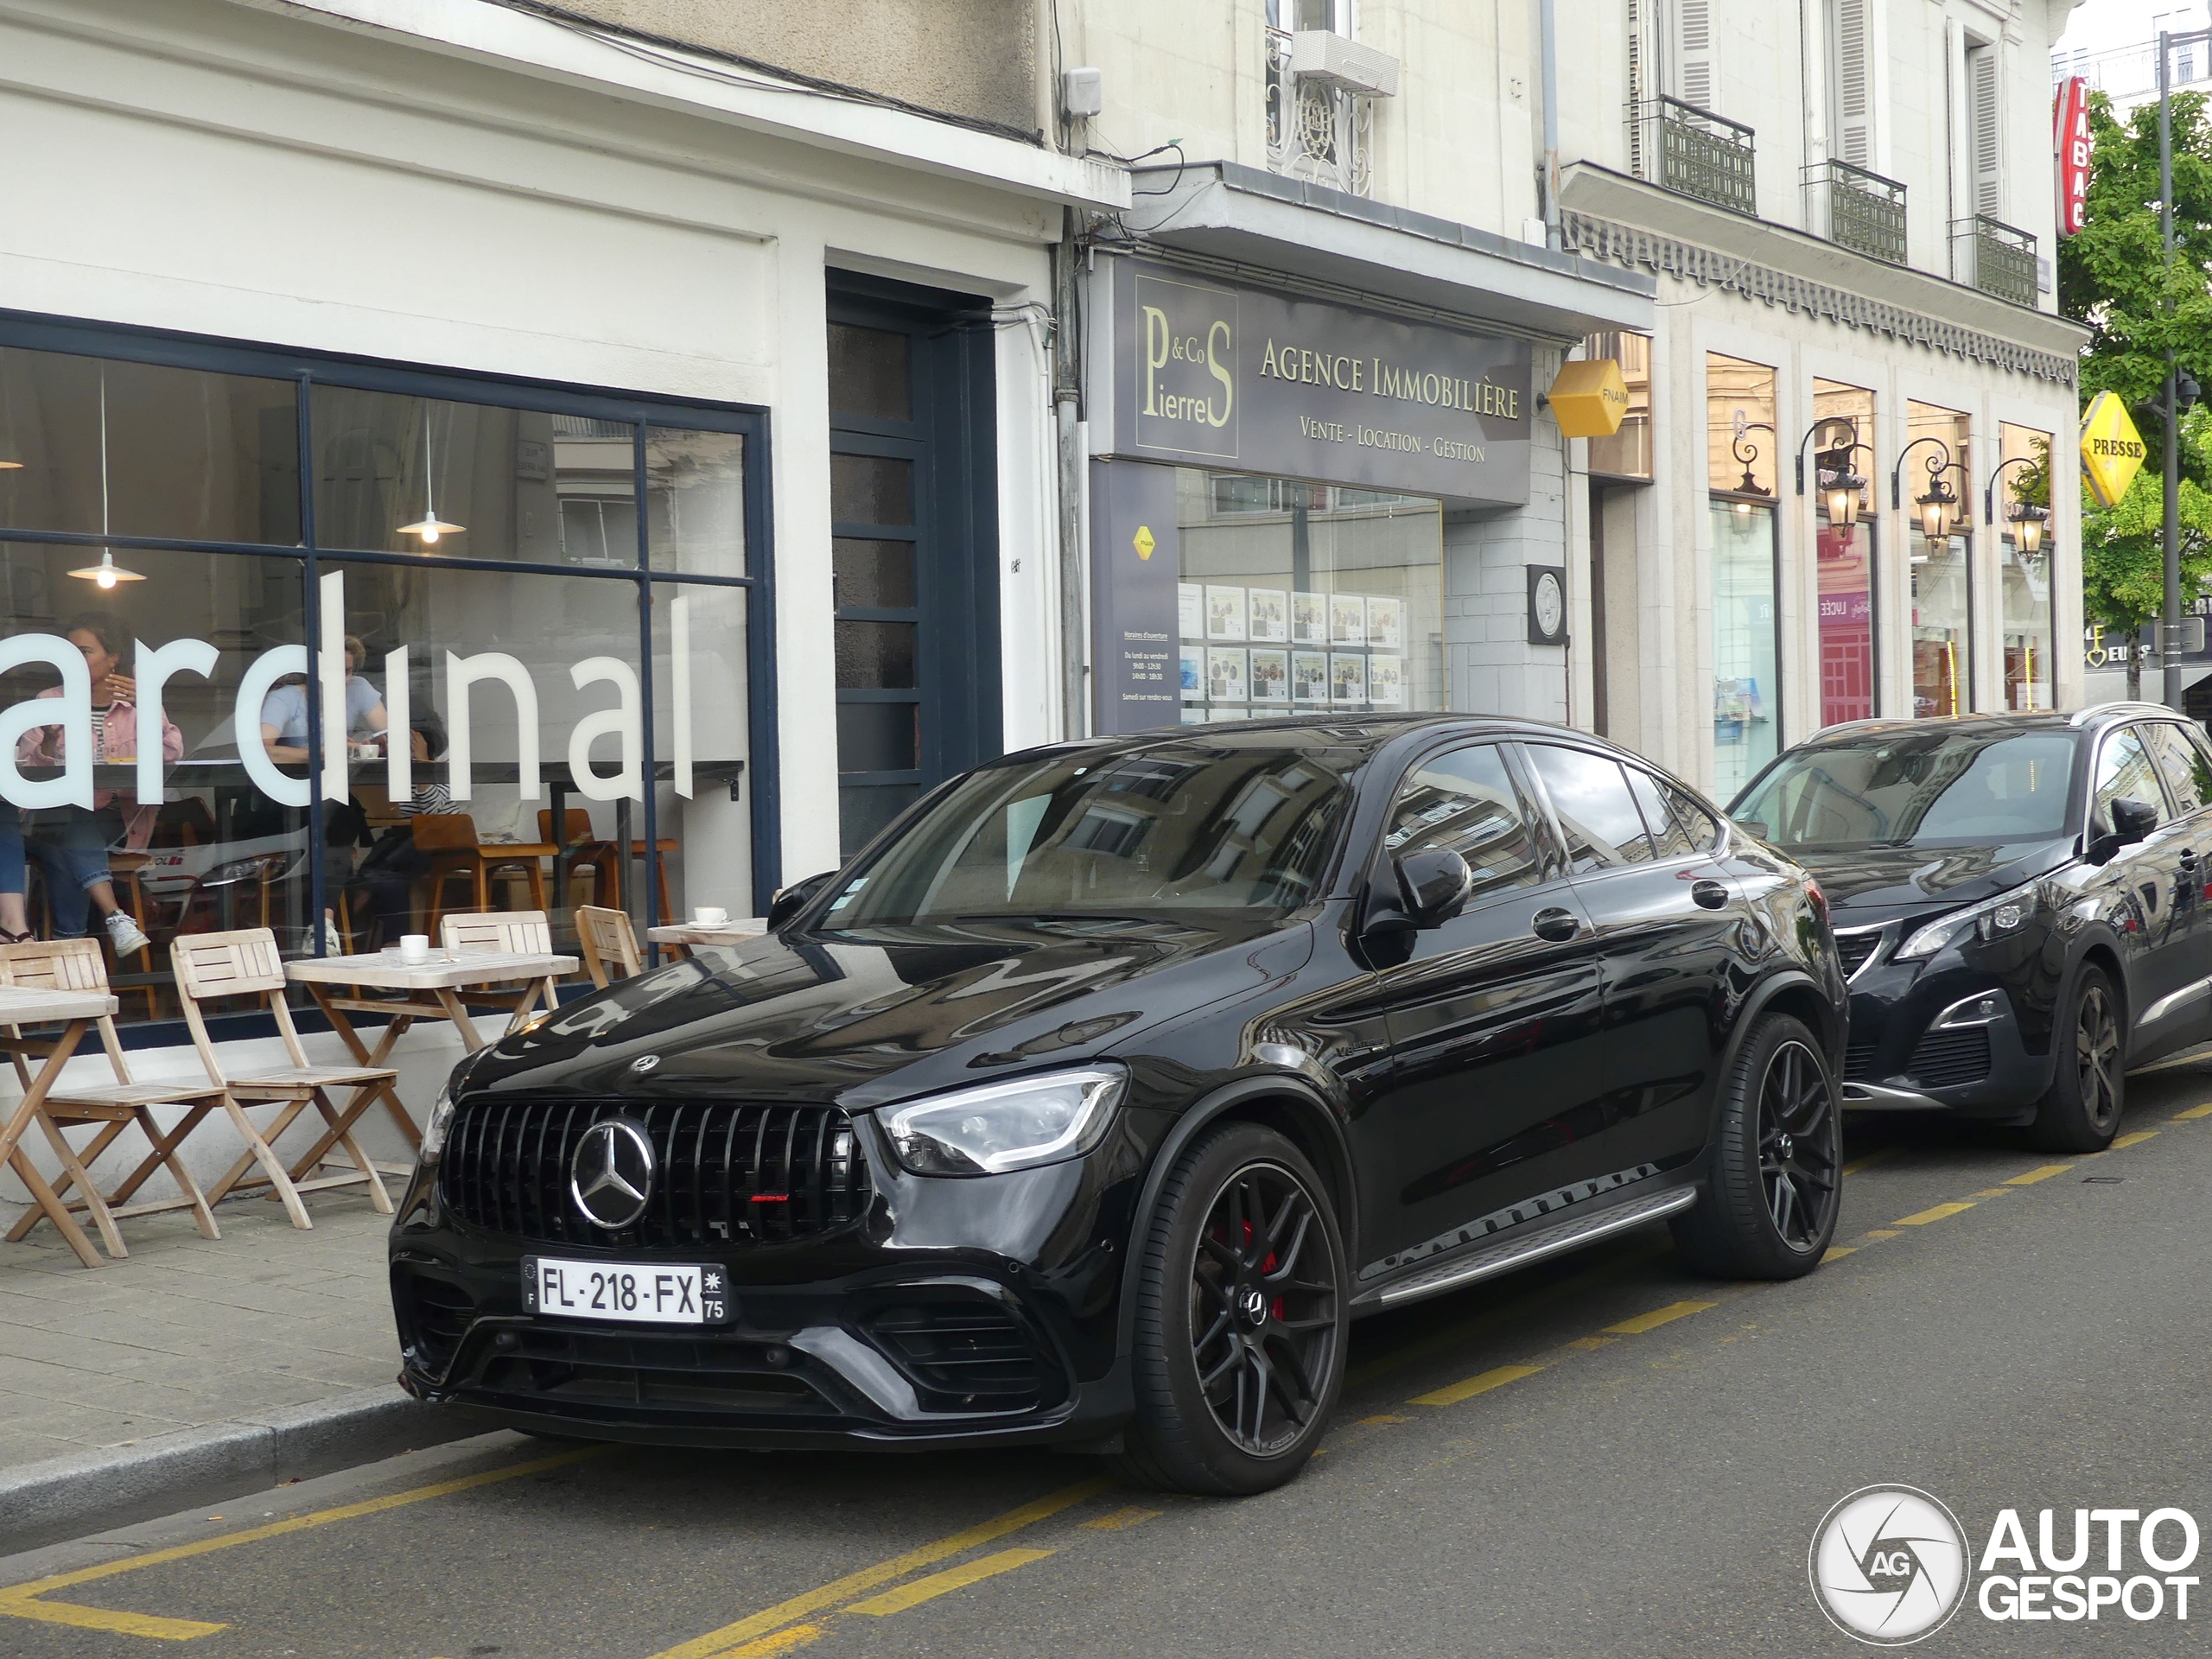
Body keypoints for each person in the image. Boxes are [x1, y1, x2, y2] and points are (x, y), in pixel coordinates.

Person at [14, 615, 179, 957]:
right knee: (70, 819)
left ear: (113, 658)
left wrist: (147, 704)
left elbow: (171, 752)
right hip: (49, 820)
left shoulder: (136, 703)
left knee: (67, 849)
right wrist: (46, 747)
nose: (74, 659)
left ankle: (70, 947)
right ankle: (115, 917)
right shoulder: (48, 701)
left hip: (117, 821)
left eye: (84, 651)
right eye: (68, 652)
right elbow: (25, 773)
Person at [344, 714, 451, 950]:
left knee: (379, 870)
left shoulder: (439, 771)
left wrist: (422, 763)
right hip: (400, 839)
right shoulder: (396, 774)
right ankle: (390, 942)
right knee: (389, 878)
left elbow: (432, 810)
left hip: (439, 838)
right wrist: (378, 754)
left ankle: (347, 926)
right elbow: (383, 810)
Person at [259, 635, 387, 765]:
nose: (345, 680)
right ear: (314, 668)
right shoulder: (283, 698)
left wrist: (376, 745)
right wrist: (324, 753)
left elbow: (388, 733)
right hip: (298, 779)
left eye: (348, 671)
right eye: (336, 671)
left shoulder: (358, 687)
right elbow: (263, 752)